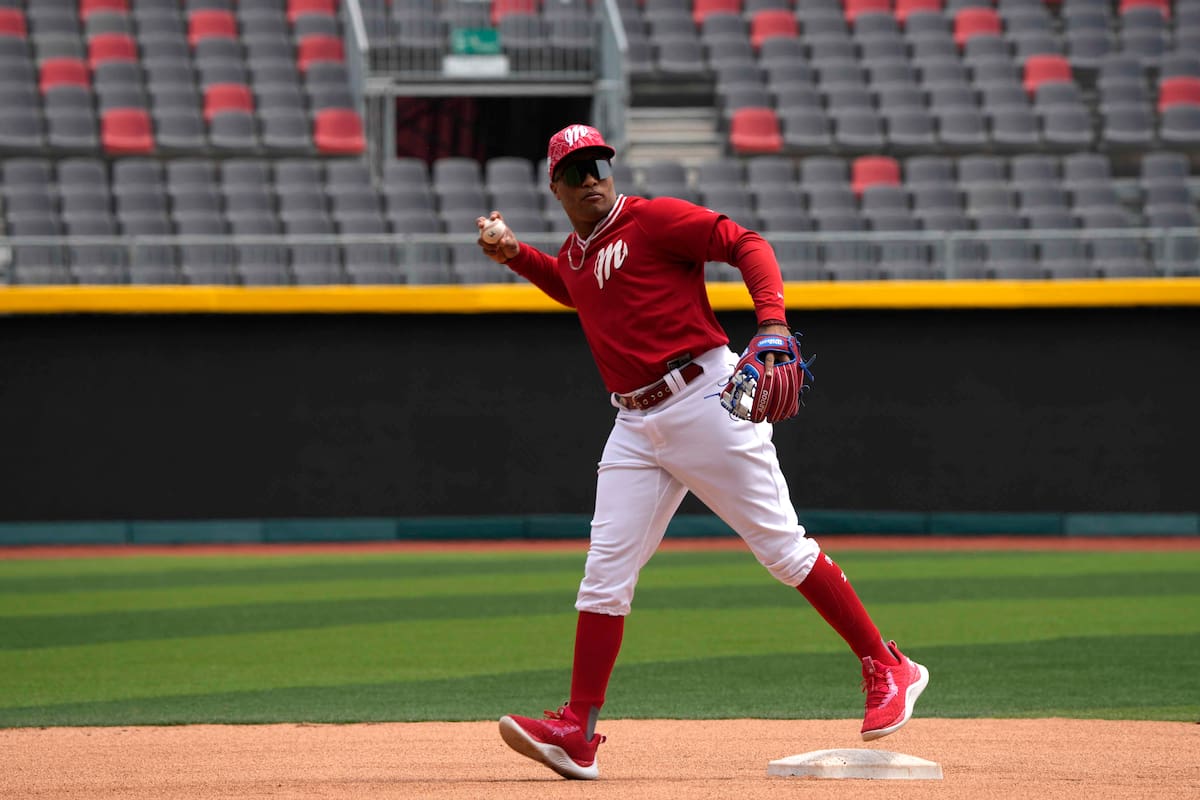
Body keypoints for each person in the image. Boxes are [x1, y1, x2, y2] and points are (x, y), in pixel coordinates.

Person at [475, 124, 928, 781]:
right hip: (634, 423)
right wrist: (517, 254)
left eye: (599, 164)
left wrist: (771, 320)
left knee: (781, 547)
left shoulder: (652, 221)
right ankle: (577, 730)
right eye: (576, 172)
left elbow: (746, 243)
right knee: (605, 571)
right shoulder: (578, 255)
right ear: (556, 188)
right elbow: (573, 285)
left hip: (703, 396)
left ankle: (888, 664)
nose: (592, 178)